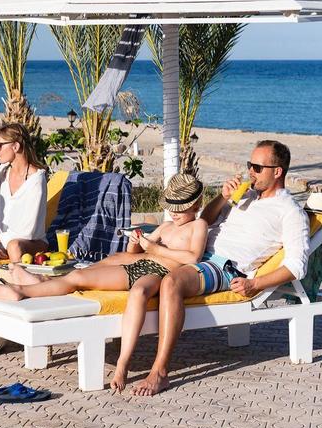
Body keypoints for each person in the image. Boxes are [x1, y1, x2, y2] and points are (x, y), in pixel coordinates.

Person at [0, 173, 208, 393]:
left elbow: (193, 257)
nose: (175, 212)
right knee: (78, 277)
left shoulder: (198, 226)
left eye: (181, 207)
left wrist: (155, 249)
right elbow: (137, 251)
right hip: (138, 264)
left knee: (139, 292)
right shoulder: (166, 227)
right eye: (172, 207)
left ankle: (123, 364)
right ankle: (22, 290)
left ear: (196, 204)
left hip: (160, 272)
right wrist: (136, 242)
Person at [132, 140, 310, 396]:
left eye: (257, 167)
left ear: (278, 171)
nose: (251, 171)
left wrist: (255, 284)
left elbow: (296, 266)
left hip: (223, 266)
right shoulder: (246, 197)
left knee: (171, 282)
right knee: (129, 265)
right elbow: (203, 221)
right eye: (250, 165)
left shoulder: (290, 212)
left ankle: (159, 372)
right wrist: (223, 197)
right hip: (198, 251)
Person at [0, 123, 49, 262]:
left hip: (27, 243)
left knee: (14, 246)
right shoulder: (2, 171)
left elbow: (28, 230)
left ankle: (15, 274)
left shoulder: (36, 180)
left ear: (15, 147)